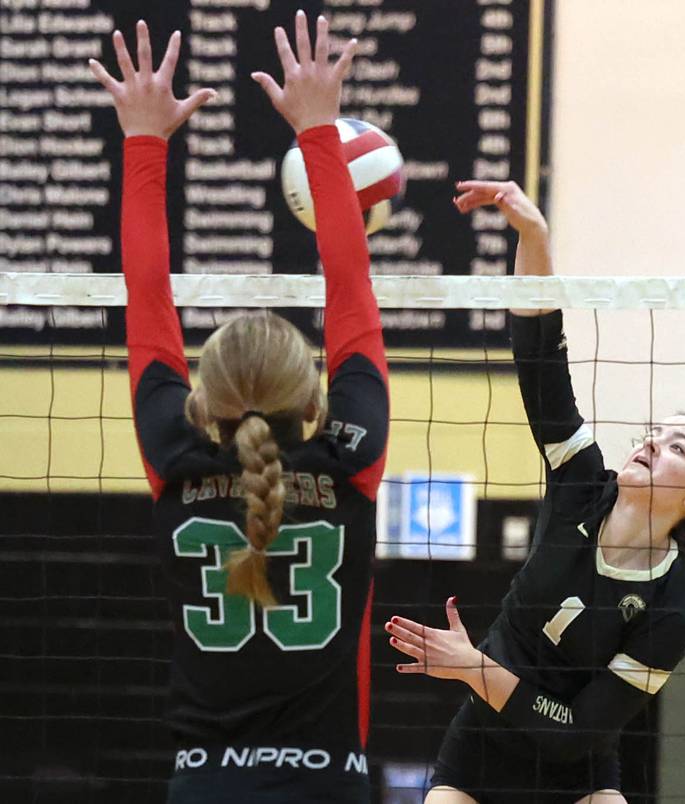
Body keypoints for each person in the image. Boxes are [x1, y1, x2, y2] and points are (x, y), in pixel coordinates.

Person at [90, 13, 387, 803]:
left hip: (202, 789)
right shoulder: (352, 459)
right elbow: (353, 292)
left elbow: (146, 292)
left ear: (201, 402)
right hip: (331, 789)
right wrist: (320, 132)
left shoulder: (173, 458)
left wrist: (144, 141)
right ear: (316, 396)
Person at [386, 180, 685, 804]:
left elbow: (576, 738)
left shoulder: (672, 607)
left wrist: (474, 667)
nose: (653, 442)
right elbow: (539, 357)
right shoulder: (580, 482)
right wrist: (534, 237)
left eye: (677, 448)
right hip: (481, 751)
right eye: (656, 433)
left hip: (578, 776)